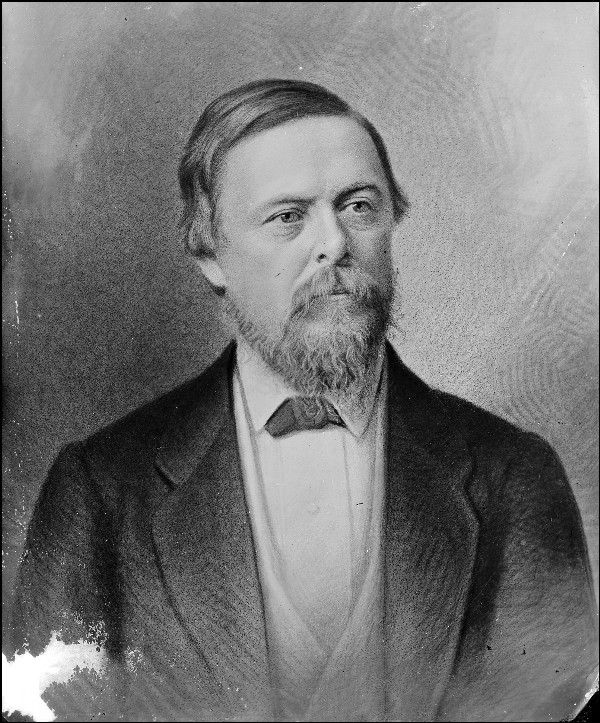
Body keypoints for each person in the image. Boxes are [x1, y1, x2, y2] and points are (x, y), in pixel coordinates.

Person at [11, 79, 598, 722]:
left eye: (359, 207)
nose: (335, 244)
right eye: (288, 217)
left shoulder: (514, 477)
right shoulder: (100, 490)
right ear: (210, 256)